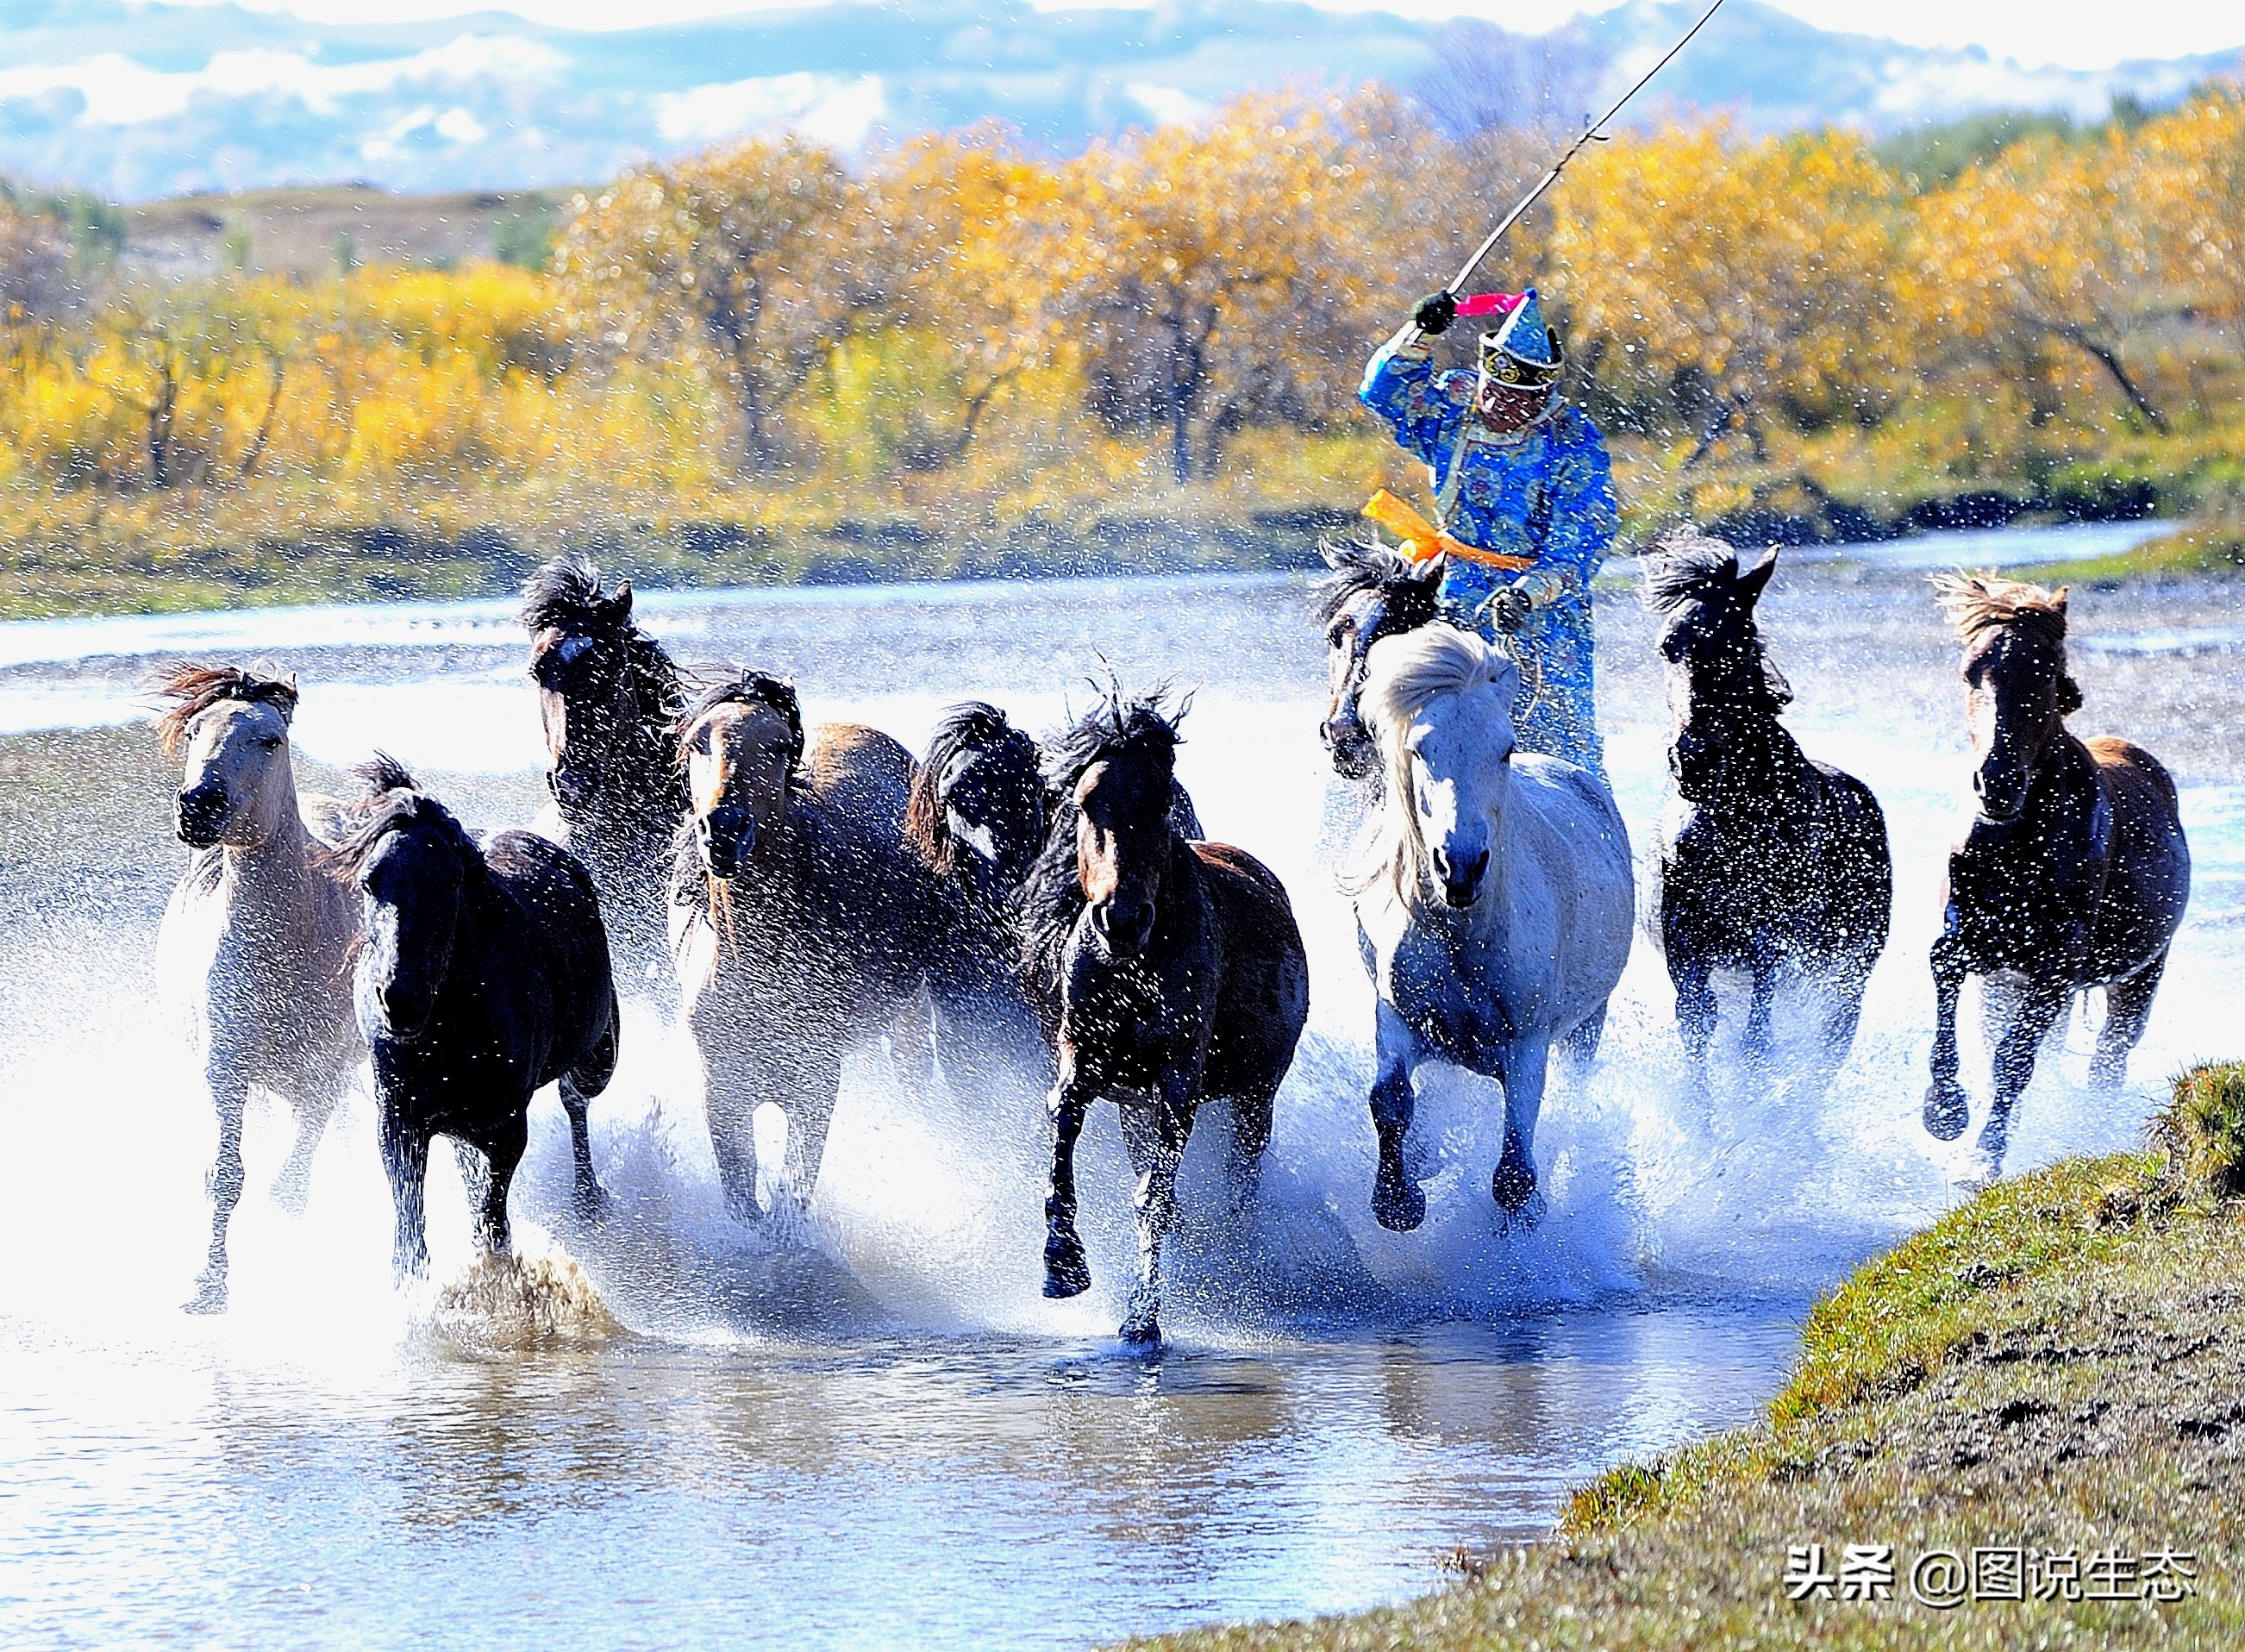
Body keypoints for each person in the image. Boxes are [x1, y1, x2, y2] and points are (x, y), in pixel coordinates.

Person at [1358, 286, 1617, 779]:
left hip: (1541, 612)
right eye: (1495, 390)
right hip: (1453, 588)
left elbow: (1582, 540)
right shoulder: (1455, 405)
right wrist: (1421, 333)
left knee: (1558, 736)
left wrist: (1527, 594)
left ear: (1544, 394)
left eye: (1520, 399)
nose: (1501, 405)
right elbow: (1382, 395)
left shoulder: (1572, 442)